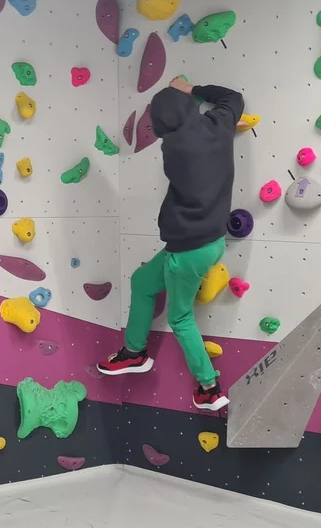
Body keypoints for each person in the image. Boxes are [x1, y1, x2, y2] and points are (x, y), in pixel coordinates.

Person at [97, 75, 241, 412]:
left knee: (180, 319)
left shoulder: (174, 148)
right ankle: (134, 353)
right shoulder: (219, 126)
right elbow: (232, 96)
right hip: (210, 242)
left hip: (187, 250)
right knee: (143, 282)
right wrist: (192, 90)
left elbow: (176, 135)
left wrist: (175, 106)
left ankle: (209, 387)